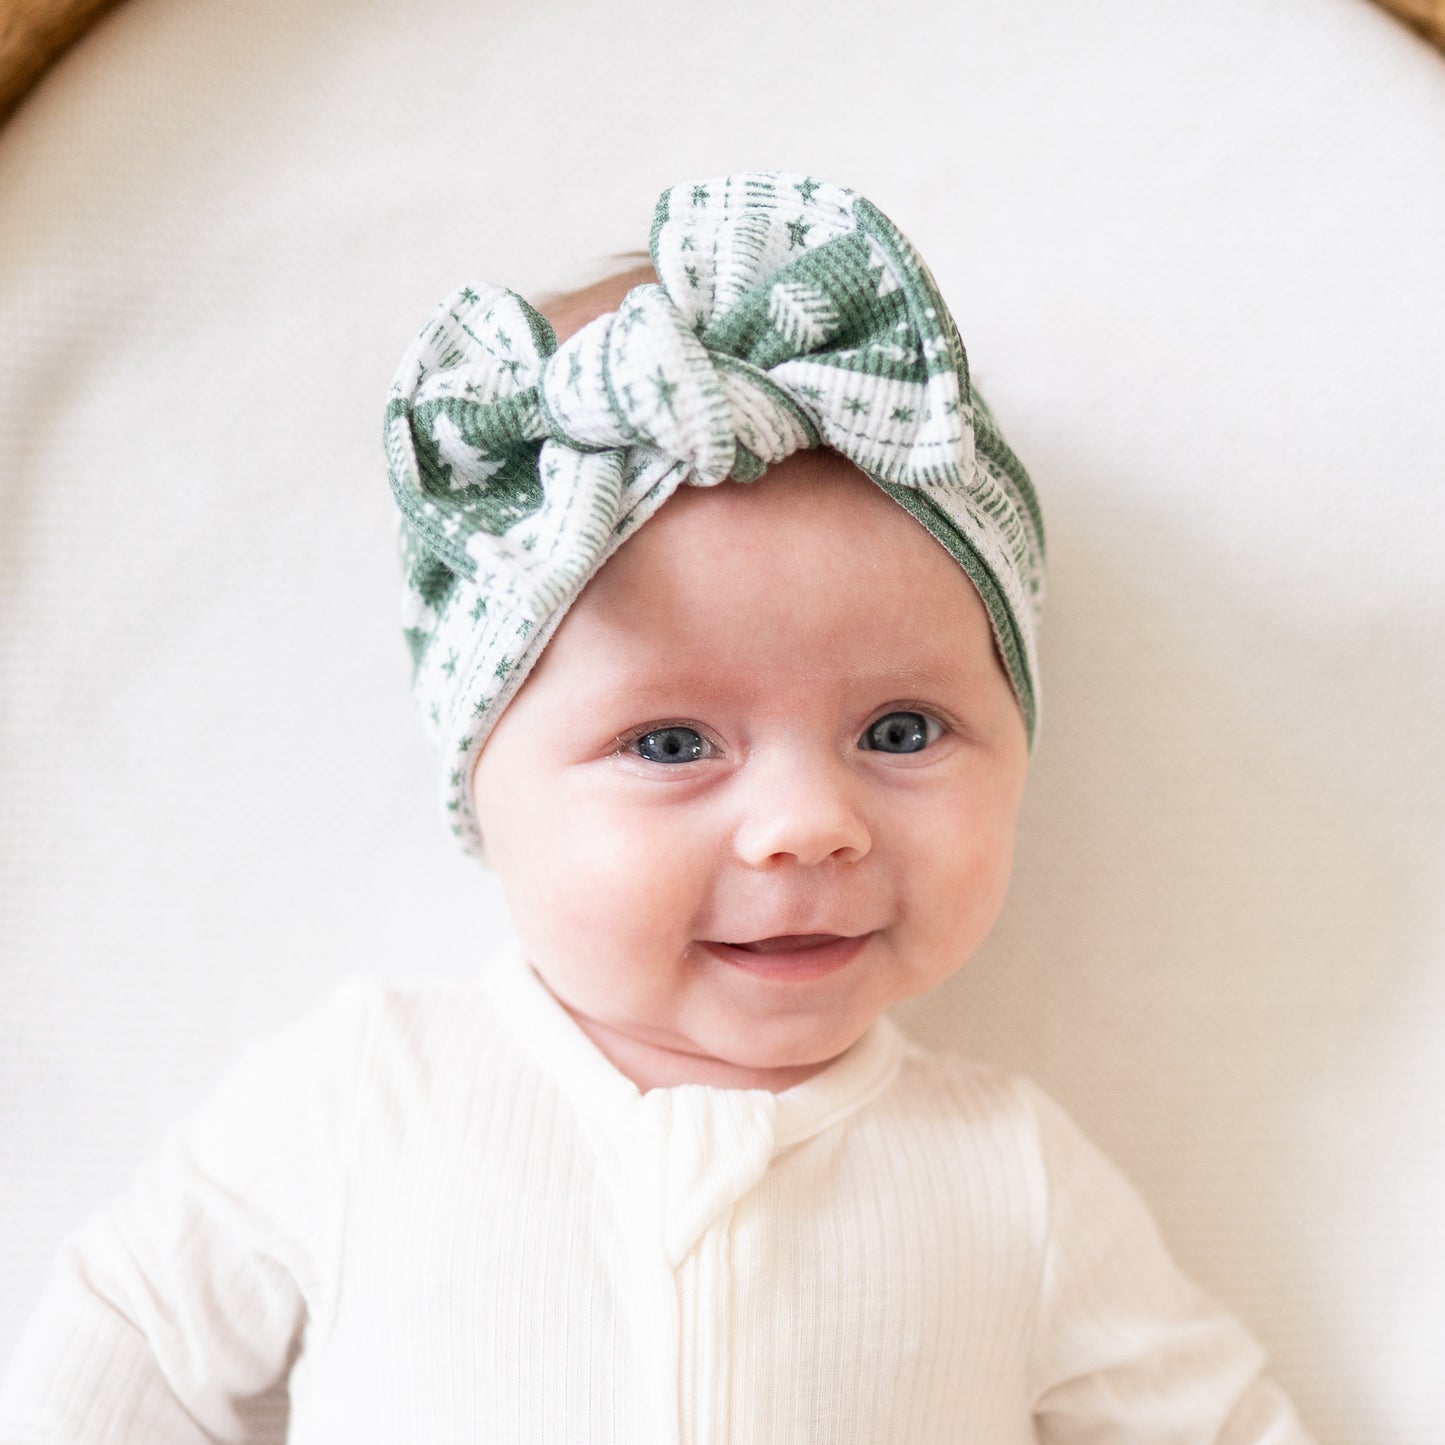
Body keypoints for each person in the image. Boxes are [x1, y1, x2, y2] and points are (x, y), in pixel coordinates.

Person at [0, 171, 1316, 1442]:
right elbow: (121, 1361)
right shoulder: (366, 1100)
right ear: (483, 777)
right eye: (672, 740)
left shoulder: (1006, 1175)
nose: (807, 824)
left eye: (900, 730)